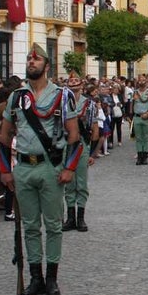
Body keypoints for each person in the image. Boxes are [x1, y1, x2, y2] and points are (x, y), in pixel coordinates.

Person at [0, 44, 81, 295]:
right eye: (28, 59)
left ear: (47, 66)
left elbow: (74, 136)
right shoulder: (17, 97)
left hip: (50, 168)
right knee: (30, 226)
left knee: (53, 226)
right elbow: (4, 136)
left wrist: (69, 168)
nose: (31, 62)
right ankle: (36, 277)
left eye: (36, 60)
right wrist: (5, 171)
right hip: (23, 168)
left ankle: (52, 278)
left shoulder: (63, 96)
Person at [62, 75, 98, 232]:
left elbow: (95, 128)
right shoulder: (62, 103)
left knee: (81, 182)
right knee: (69, 182)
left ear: (82, 84)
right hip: (66, 145)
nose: (73, 84)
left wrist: (92, 153)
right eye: (71, 82)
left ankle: (81, 217)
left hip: (82, 145)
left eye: (76, 82)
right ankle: (70, 217)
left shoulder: (89, 104)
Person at [131, 78, 148, 166]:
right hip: (137, 117)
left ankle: (145, 156)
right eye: (139, 80)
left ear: (146, 83)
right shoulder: (135, 92)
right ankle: (139, 156)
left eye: (143, 80)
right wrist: (130, 117)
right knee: (138, 138)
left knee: (146, 137)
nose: (141, 82)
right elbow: (131, 105)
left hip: (147, 118)